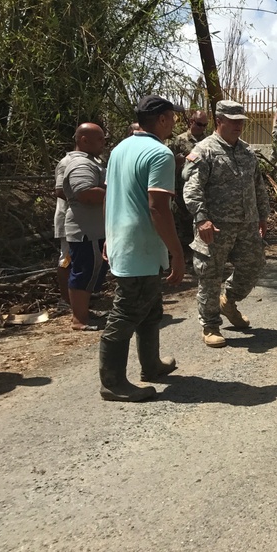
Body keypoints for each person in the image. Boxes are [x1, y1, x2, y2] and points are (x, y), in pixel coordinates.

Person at [100, 96, 185, 402]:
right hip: (141, 246)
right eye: (172, 118)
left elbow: (113, 198)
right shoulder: (159, 154)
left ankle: (151, 365)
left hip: (125, 241)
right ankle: (112, 382)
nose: (174, 123)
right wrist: (177, 252)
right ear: (162, 120)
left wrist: (109, 237)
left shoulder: (120, 149)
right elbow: (158, 208)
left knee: (150, 309)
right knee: (126, 313)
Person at [183, 100, 270, 348]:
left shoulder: (247, 151)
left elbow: (258, 186)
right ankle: (210, 325)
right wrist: (202, 219)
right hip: (214, 226)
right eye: (234, 121)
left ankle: (229, 301)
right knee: (210, 276)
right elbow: (192, 188)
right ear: (219, 121)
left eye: (241, 121)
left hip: (247, 223)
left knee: (254, 265)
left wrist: (263, 216)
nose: (239, 126)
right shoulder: (204, 150)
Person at [62, 123, 108, 331]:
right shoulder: (80, 164)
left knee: (93, 270)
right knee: (84, 271)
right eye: (99, 138)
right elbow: (85, 193)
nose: (103, 143)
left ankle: (84, 313)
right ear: (83, 140)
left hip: (93, 229)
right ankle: (79, 319)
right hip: (85, 231)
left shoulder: (90, 161)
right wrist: (118, 193)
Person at [169, 110, 209, 251]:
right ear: (191, 122)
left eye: (205, 125)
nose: (202, 128)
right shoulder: (179, 140)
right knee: (182, 222)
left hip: (201, 188)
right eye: (199, 124)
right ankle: (182, 255)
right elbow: (168, 164)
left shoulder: (208, 142)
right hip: (181, 187)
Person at [52, 149, 73, 310]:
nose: (103, 143)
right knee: (66, 259)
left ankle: (77, 294)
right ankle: (65, 301)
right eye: (99, 139)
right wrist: (86, 196)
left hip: (84, 222)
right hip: (68, 219)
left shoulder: (95, 161)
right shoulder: (66, 162)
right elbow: (60, 191)